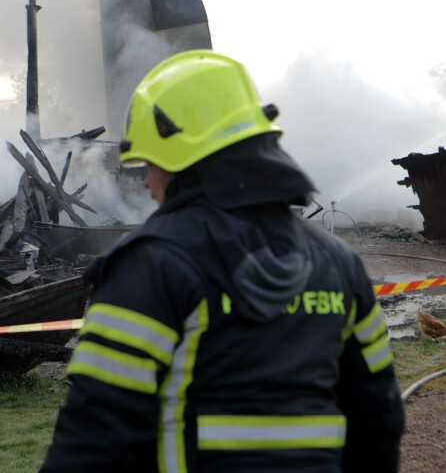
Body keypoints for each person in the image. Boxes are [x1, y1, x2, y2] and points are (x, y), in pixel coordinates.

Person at [40, 50, 404, 472]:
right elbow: (379, 420)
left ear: (181, 155)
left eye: (149, 162)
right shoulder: (339, 263)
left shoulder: (153, 264)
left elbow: (94, 440)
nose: (145, 181)